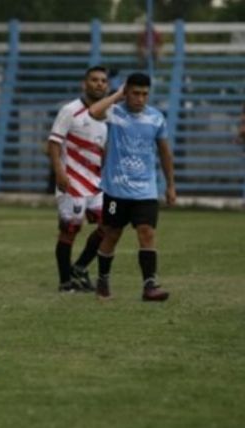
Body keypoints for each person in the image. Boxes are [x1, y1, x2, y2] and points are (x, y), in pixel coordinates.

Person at [88, 72, 176, 301]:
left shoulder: (156, 118)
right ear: (127, 92)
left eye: (145, 94)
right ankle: (103, 280)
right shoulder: (115, 113)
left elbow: (165, 153)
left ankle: (150, 286)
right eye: (135, 93)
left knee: (147, 233)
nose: (140, 99)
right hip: (116, 191)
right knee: (112, 234)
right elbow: (93, 112)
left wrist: (170, 185)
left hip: (146, 190)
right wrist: (117, 94)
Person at [46, 66, 109, 293]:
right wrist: (60, 173)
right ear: (85, 84)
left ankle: (80, 267)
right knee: (70, 230)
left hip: (97, 183)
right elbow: (53, 143)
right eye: (94, 80)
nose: (99, 84)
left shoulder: (107, 115)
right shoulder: (70, 110)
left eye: (103, 81)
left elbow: (104, 149)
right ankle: (65, 283)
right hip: (71, 182)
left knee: (109, 225)